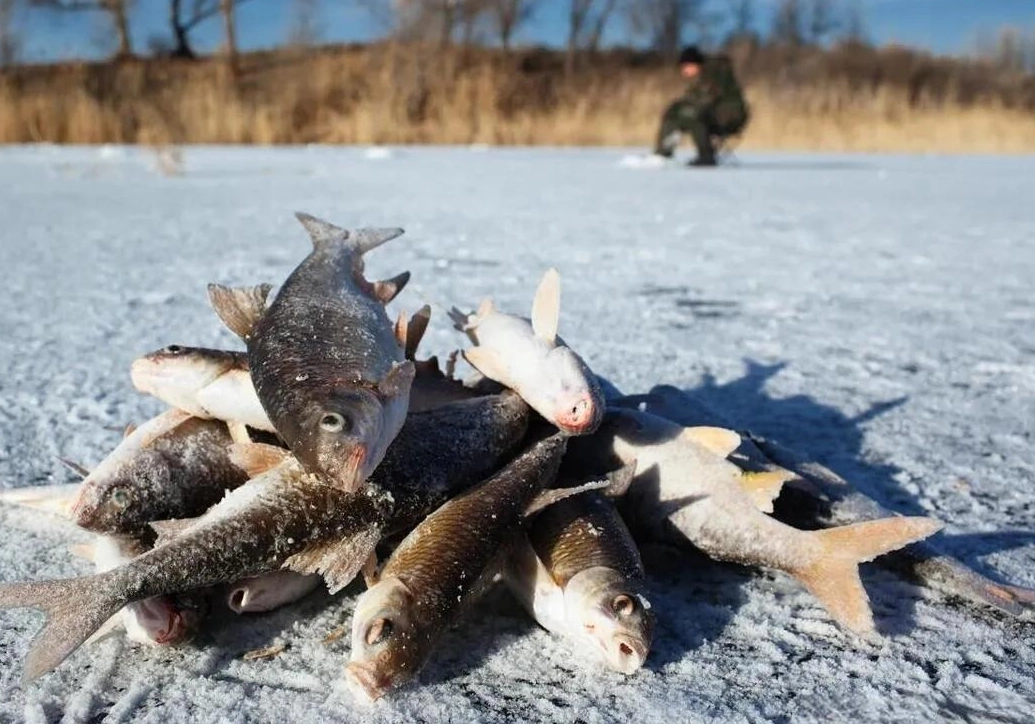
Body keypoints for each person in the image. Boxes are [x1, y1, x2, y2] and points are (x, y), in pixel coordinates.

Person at [653, 46, 750, 167]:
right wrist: (675, 110)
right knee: (676, 112)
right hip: (719, 113)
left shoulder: (713, 75)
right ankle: (662, 154)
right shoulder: (704, 76)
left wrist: (682, 112)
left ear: (694, 64)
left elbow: (704, 101)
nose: (683, 71)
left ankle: (706, 156)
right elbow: (693, 100)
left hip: (730, 115)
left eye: (685, 67)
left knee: (692, 115)